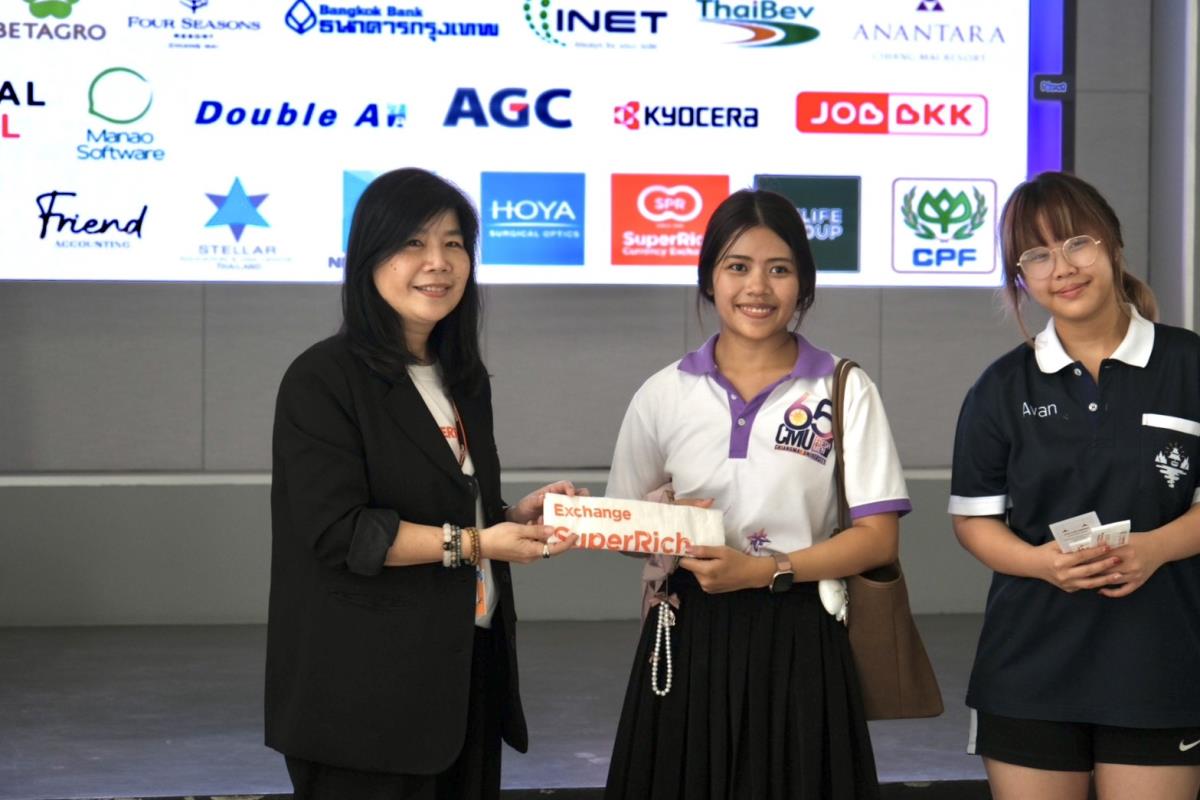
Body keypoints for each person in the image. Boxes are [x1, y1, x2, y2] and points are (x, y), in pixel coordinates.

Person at [265, 167, 580, 799]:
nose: (438, 262)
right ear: (369, 257)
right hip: (363, 702)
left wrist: (512, 517)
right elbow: (342, 532)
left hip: (465, 682)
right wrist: (479, 543)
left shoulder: (462, 377)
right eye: (413, 242)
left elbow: (445, 503)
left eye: (453, 243)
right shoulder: (322, 378)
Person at [603, 189, 911, 800]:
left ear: (804, 284)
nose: (757, 288)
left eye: (779, 269)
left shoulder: (844, 388)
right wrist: (665, 525)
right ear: (709, 279)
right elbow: (624, 529)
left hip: (801, 632)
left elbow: (878, 540)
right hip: (688, 630)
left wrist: (764, 570)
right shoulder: (663, 393)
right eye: (737, 266)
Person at [948, 171, 1200, 799]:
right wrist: (1040, 563)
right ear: (1021, 278)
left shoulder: (1187, 363)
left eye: (1077, 242)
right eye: (1036, 255)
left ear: (1112, 244)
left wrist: (1156, 548)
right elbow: (974, 519)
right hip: (1028, 666)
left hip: (1161, 663)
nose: (1062, 267)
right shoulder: (1001, 386)